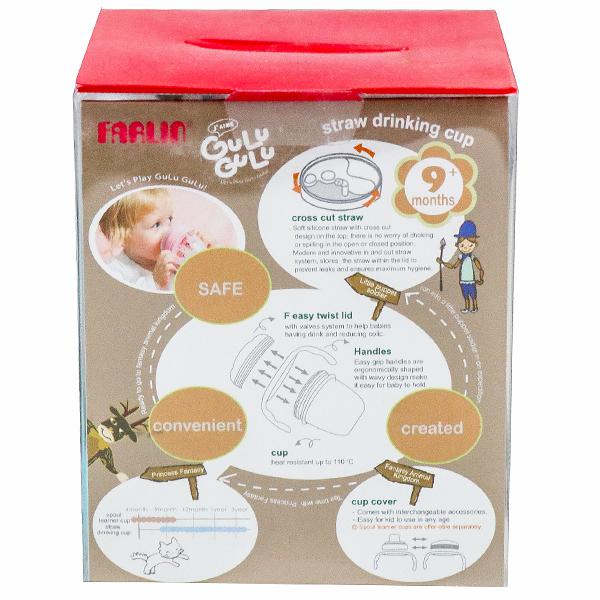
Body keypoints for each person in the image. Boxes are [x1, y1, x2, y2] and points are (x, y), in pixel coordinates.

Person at [99, 188, 211, 290]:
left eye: (170, 219)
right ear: (122, 237)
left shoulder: (177, 255)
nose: (169, 229)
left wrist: (204, 250)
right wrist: (155, 282)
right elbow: (126, 300)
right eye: (156, 225)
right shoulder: (117, 271)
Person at [436, 220, 484, 313]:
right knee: (465, 296)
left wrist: (481, 279)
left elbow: (480, 268)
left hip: (471, 281)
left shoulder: (472, 257)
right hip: (463, 280)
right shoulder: (461, 257)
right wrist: (443, 262)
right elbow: (453, 266)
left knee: (473, 296)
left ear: (474, 244)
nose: (466, 247)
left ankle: (475, 307)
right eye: (462, 245)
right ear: (458, 245)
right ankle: (467, 308)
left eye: (470, 245)